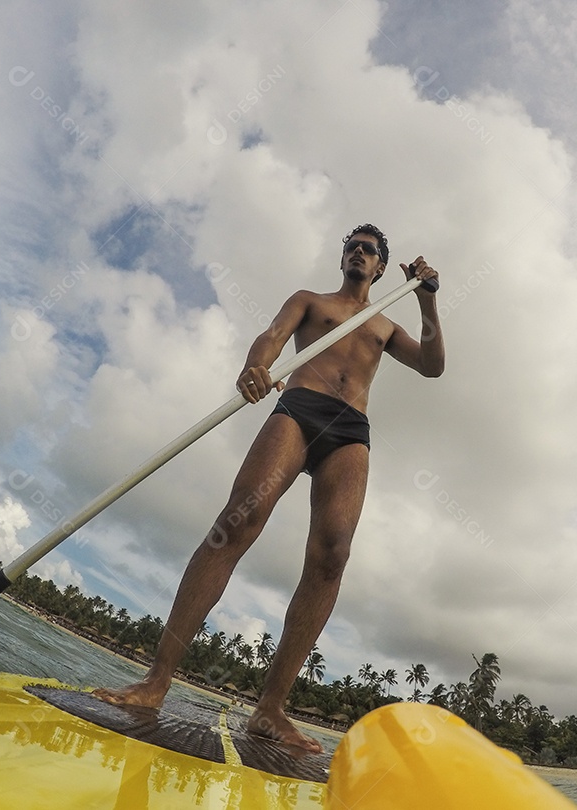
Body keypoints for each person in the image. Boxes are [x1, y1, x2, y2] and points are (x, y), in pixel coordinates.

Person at [93, 224, 444, 752]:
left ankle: (270, 710)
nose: (358, 252)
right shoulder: (311, 301)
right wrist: (256, 366)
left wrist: (428, 301)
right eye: (351, 246)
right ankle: (155, 682)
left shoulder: (385, 324)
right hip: (299, 408)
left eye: (369, 250)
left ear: (380, 266)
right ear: (343, 258)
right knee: (239, 519)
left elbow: (433, 366)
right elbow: (272, 336)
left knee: (334, 553)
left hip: (350, 429)